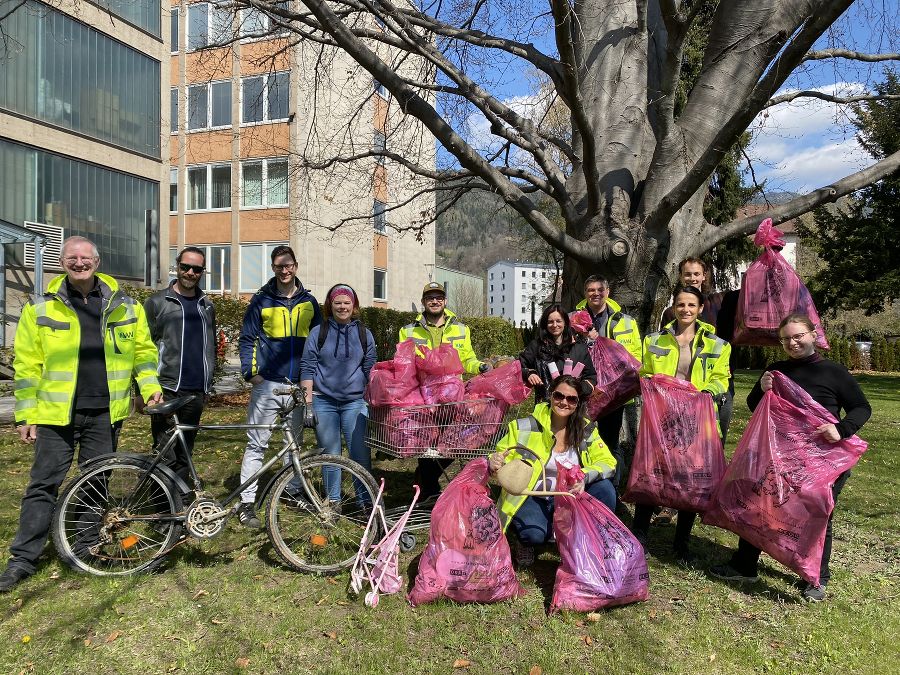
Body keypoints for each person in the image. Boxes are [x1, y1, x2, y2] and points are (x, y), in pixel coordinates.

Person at [0, 236, 162, 593]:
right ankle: (23, 559)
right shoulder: (40, 306)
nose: (78, 263)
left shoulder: (124, 305)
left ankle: (87, 545)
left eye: (85, 257)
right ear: (62, 262)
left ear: (97, 262)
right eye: (71, 257)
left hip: (105, 412)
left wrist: (149, 386)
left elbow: (144, 352)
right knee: (43, 485)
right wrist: (25, 415)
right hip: (56, 414)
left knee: (95, 483)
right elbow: (27, 365)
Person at [710, 313, 871, 602]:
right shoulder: (776, 370)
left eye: (798, 336)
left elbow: (861, 407)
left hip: (821, 460)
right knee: (761, 505)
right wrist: (761, 389)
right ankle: (745, 565)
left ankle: (816, 578)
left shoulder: (833, 372)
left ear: (812, 335)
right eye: (786, 339)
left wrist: (841, 429)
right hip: (780, 455)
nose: (792, 342)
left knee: (818, 513)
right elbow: (754, 405)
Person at [630, 286, 731, 563]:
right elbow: (645, 372)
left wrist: (708, 392)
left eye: (691, 305)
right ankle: (640, 537)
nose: (685, 309)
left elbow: (722, 378)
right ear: (674, 308)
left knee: (691, 481)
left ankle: (682, 544)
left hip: (697, 420)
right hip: (662, 419)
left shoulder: (718, 344)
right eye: (680, 304)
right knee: (651, 475)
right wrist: (649, 382)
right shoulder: (653, 340)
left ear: (700, 309)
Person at [489, 374, 617, 567]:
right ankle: (527, 539)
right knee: (533, 535)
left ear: (577, 403)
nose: (564, 402)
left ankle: (590, 540)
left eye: (571, 399)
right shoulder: (523, 426)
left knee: (606, 489)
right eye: (559, 396)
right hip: (533, 495)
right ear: (550, 395)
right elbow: (500, 458)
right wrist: (494, 462)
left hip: (570, 496)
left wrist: (583, 475)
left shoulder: (586, 429)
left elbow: (608, 462)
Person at [236, 245, 321, 528]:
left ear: (296, 266)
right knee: (256, 444)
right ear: (273, 268)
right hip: (268, 384)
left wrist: (313, 379)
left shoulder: (310, 302)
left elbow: (319, 341)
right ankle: (246, 502)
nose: (284, 271)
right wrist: (252, 374)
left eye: (288, 265)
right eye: (278, 266)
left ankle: (292, 492)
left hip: (298, 386)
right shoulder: (261, 300)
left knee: (293, 444)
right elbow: (247, 338)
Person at [398, 281, 490, 499]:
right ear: (423, 302)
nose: (435, 301)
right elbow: (403, 362)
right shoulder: (408, 330)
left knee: (451, 444)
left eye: (439, 297)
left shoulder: (460, 328)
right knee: (426, 444)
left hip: (451, 398)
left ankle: (425, 479)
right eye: (430, 298)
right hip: (423, 397)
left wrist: (480, 367)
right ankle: (429, 492)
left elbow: (467, 359)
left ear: (445, 301)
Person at [144, 246, 217, 482]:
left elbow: (210, 345)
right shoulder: (157, 302)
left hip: (196, 391)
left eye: (196, 269)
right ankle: (162, 509)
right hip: (167, 388)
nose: (190, 273)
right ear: (178, 266)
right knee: (165, 453)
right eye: (185, 267)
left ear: (202, 272)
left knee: (186, 452)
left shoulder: (207, 305)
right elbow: (143, 348)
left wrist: (207, 385)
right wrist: (143, 390)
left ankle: (179, 505)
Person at [300, 284, 376, 508]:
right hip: (324, 401)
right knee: (331, 455)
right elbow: (307, 367)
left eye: (346, 303)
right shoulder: (318, 332)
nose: (342, 307)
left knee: (360, 453)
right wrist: (308, 404)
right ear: (330, 305)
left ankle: (365, 502)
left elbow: (370, 370)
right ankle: (333, 501)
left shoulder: (364, 334)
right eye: (337, 303)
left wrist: (372, 400)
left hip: (355, 402)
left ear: (354, 306)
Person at [574, 275, 642, 490]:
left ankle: (610, 490)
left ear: (607, 292)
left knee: (610, 443)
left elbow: (635, 357)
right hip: (584, 390)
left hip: (613, 395)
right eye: (591, 290)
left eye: (599, 290)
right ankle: (582, 486)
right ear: (585, 293)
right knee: (580, 440)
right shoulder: (572, 319)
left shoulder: (626, 321)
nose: (596, 294)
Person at [519, 304, 596, 402]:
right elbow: (518, 367)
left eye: (558, 321)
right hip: (545, 407)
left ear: (565, 323)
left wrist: (579, 388)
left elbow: (591, 377)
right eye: (550, 322)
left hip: (573, 406)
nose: (555, 325)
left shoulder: (579, 348)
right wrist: (529, 373)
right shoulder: (536, 346)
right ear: (545, 324)